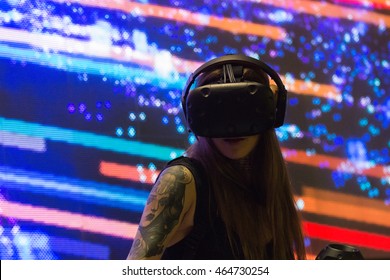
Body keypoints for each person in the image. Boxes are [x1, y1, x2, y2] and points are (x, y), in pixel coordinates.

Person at [127, 54, 306, 260]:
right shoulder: (182, 181)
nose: (233, 125)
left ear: (269, 112)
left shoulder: (269, 181)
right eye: (219, 110)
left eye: (246, 109)